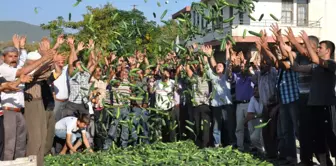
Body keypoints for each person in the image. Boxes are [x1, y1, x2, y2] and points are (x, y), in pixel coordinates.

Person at [290, 31, 336, 166]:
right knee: (318, 139)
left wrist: (303, 41)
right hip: (315, 107)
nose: (317, 49)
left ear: (328, 50)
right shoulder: (315, 66)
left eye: (320, 48)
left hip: (326, 107)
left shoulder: (332, 64)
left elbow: (316, 59)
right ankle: (325, 163)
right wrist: (288, 51)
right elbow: (296, 68)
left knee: (331, 139)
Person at [0, 46, 52, 161]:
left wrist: (49, 58)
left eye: (15, 56)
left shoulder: (16, 68)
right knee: (9, 145)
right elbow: (12, 84)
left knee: (20, 145)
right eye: (10, 56)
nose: (13, 58)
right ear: (3, 58)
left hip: (19, 110)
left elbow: (33, 71)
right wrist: (43, 58)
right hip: (8, 110)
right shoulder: (4, 69)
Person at [202, 42, 234, 147]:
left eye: (220, 65)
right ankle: (217, 143)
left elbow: (228, 62)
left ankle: (230, 143)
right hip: (216, 105)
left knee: (228, 124)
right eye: (217, 66)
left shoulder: (226, 77)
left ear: (224, 69)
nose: (218, 67)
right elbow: (206, 66)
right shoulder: (213, 77)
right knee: (216, 125)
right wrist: (206, 55)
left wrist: (227, 50)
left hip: (227, 104)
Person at [244, 85, 264, 153]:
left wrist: (255, 116)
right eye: (254, 90)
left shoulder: (264, 97)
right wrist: (245, 121)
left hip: (267, 121)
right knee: (250, 122)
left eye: (257, 90)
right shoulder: (253, 98)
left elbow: (265, 114)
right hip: (259, 121)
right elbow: (249, 114)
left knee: (254, 138)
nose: (254, 91)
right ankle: (259, 149)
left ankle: (262, 151)